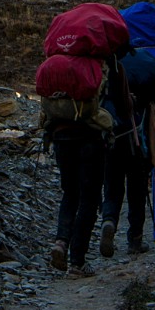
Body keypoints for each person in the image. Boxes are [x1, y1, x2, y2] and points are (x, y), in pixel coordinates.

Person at [47, 54, 131, 276]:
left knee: (69, 192)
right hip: (90, 138)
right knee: (89, 198)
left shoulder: (59, 65)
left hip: (60, 134)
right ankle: (77, 262)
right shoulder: (105, 65)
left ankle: (60, 242)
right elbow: (124, 105)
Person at [98, 44, 155, 256]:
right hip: (139, 141)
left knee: (112, 185)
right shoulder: (146, 74)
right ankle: (135, 239)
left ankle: (108, 220)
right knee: (137, 190)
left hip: (112, 137)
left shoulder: (108, 72)